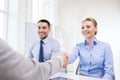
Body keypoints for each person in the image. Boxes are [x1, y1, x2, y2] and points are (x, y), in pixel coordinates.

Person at [0, 39, 68, 80]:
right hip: (38, 73)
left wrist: (61, 61)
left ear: (49, 29)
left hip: (49, 74)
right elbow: (28, 62)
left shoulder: (55, 43)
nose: (41, 30)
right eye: (39, 27)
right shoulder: (33, 44)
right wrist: (60, 60)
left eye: (44, 28)